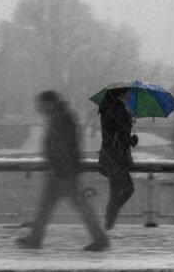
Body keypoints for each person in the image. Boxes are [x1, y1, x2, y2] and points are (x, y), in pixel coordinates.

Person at [16, 90, 109, 251]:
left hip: (63, 173)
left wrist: (59, 167)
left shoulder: (61, 119)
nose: (39, 108)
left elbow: (62, 146)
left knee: (55, 207)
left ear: (49, 103)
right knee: (59, 207)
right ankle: (99, 238)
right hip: (63, 171)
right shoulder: (63, 116)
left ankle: (36, 239)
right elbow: (67, 145)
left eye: (41, 104)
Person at [97, 88, 138, 229]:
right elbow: (122, 138)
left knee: (115, 191)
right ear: (122, 94)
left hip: (109, 156)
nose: (131, 95)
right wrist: (133, 139)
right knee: (127, 189)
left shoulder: (110, 109)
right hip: (117, 158)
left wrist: (129, 121)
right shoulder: (120, 110)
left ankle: (109, 222)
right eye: (129, 93)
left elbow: (113, 134)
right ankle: (109, 219)